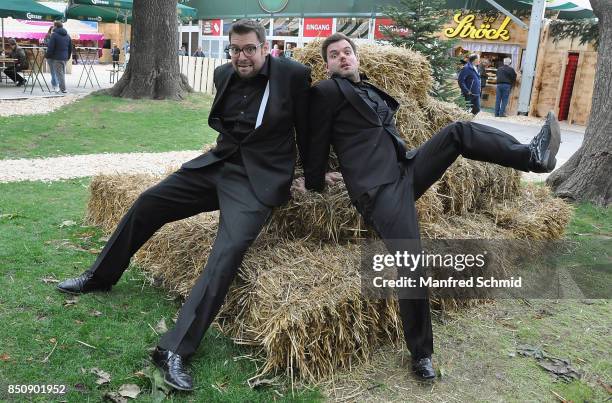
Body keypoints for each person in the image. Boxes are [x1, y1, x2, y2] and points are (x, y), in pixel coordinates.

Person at [57, 19, 311, 392]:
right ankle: (100, 276)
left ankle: (173, 349)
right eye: (235, 49)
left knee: (226, 252)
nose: (242, 56)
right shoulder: (223, 74)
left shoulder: (292, 75)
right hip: (217, 166)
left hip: (257, 182)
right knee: (149, 201)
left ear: (265, 46)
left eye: (249, 49)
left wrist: (313, 178)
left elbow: (309, 128)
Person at [294, 33, 561, 381]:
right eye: (334, 55)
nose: (343, 58)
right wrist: (314, 180)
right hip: (379, 190)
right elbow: (315, 141)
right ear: (327, 64)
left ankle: (531, 156)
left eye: (347, 52)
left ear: (357, 58)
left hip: (406, 169)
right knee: (411, 262)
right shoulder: (326, 92)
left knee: (458, 131)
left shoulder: (371, 90)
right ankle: (421, 355)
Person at [45, 21, 72, 94]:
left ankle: (63, 89)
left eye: (53, 26)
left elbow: (51, 47)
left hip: (57, 58)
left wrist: (47, 56)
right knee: (61, 73)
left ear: (55, 26)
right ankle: (62, 88)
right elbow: (70, 47)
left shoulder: (54, 35)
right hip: (65, 57)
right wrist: (68, 56)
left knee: (59, 74)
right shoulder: (67, 35)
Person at [44, 26, 59, 92]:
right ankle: (55, 84)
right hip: (52, 55)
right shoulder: (48, 35)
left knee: (53, 71)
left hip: (52, 55)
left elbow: (46, 43)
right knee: (54, 71)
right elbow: (47, 43)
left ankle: (55, 84)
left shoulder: (50, 36)